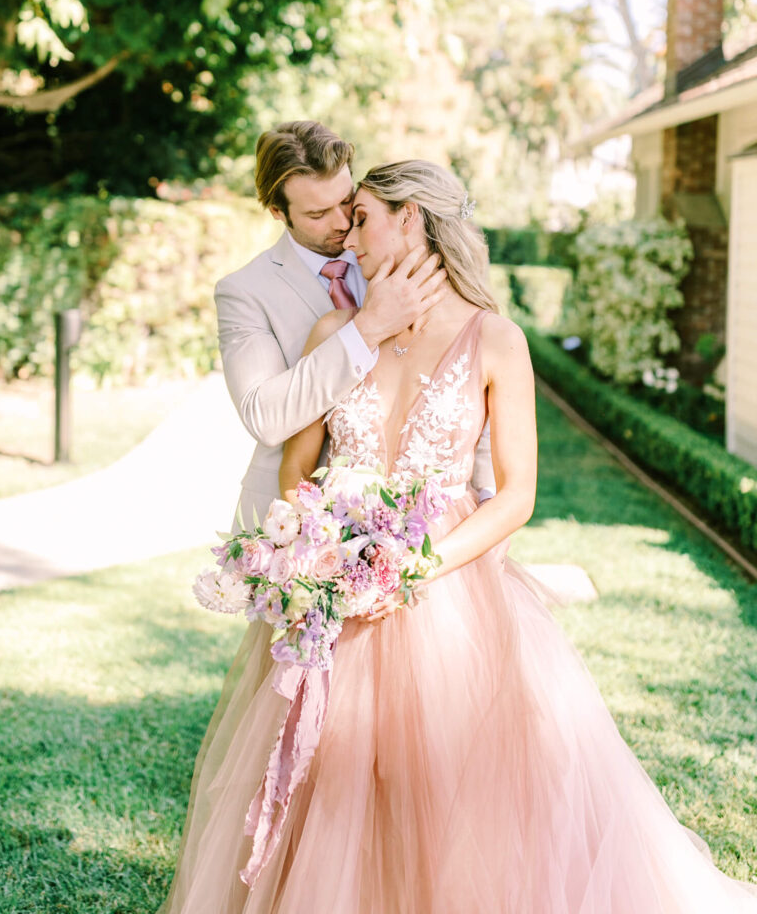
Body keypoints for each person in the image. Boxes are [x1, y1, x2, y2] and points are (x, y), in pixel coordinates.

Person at [160, 160, 757, 913]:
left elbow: (516, 496)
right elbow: (298, 467)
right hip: (335, 587)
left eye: (366, 218)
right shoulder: (335, 329)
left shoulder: (498, 341)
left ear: (412, 220)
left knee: (447, 783)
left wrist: (414, 566)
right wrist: (315, 540)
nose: (349, 236)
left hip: (445, 595)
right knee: (330, 776)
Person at [213, 120, 494, 528]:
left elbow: (468, 381)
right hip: (290, 525)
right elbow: (265, 417)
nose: (343, 223)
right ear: (278, 212)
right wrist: (367, 329)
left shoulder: (396, 256)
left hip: (416, 527)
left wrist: (486, 495)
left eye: (346, 201)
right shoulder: (244, 291)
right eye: (317, 213)